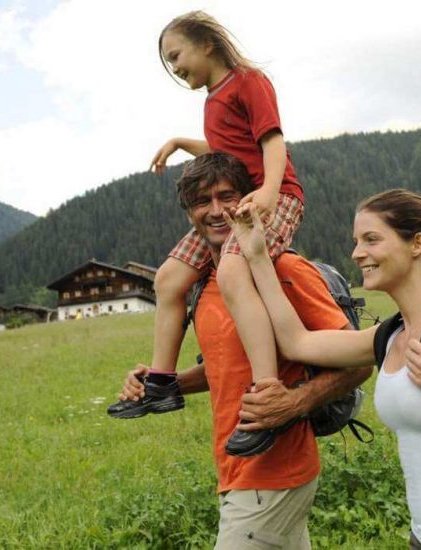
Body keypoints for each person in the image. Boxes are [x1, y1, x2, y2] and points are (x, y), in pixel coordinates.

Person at [226, 189, 421, 549]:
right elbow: (297, 341)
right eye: (355, 241)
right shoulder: (390, 335)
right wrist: (257, 255)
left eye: (371, 239)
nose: (356, 253)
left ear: (416, 244)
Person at [115, 153, 372, 548]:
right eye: (203, 201)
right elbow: (226, 365)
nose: (216, 211)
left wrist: (296, 402)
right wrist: (165, 383)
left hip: (273, 475)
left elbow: (356, 362)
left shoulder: (284, 270)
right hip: (235, 470)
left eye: (227, 196)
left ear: (249, 198)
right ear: (189, 214)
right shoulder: (202, 284)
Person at [119, 10, 306, 456]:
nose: (174, 67)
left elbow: (271, 142)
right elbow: (229, 150)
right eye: (168, 61)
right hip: (237, 201)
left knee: (234, 270)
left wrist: (269, 192)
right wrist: (184, 142)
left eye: (176, 55)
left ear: (206, 43)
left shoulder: (249, 81)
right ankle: (163, 383)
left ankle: (266, 392)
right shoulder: (211, 101)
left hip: (274, 197)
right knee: (169, 277)